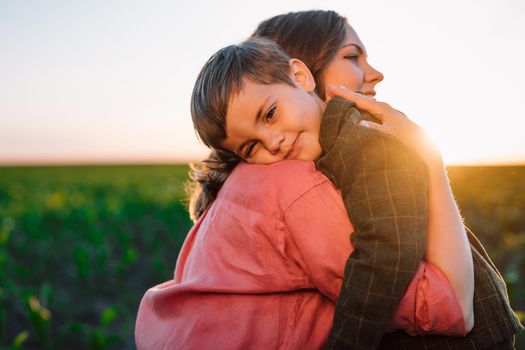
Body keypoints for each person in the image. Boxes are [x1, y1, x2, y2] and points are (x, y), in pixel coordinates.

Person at [136, 38, 473, 350]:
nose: (274, 143)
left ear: (300, 75)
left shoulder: (355, 150)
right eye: (251, 146)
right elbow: (440, 304)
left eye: (270, 114)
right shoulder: (296, 185)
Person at [250, 10, 522, 349]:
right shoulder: (320, 174)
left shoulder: (335, 158)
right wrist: (429, 160)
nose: (375, 74)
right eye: (352, 56)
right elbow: (458, 307)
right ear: (302, 70)